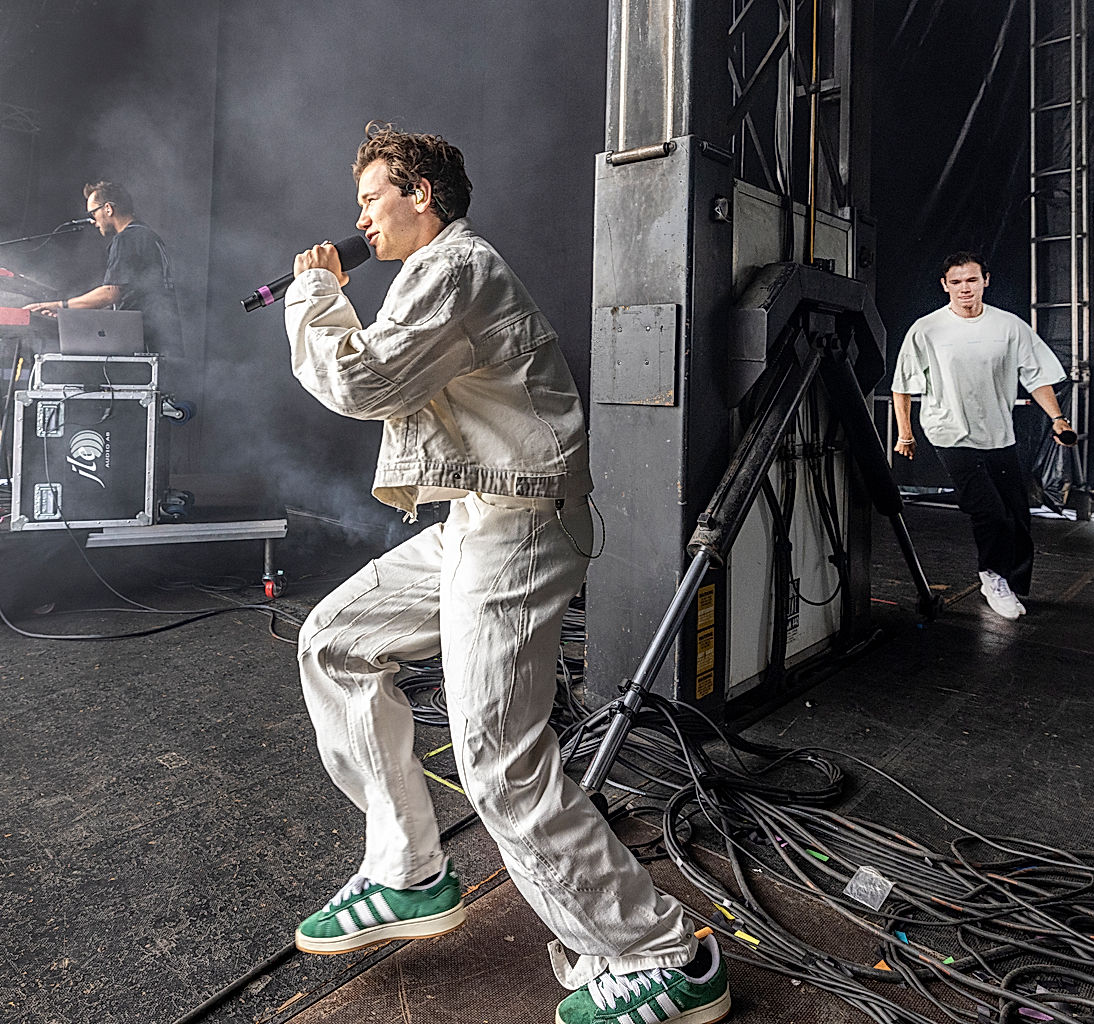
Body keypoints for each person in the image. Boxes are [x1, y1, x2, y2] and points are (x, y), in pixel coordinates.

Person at [283, 123, 731, 1024]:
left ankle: (668, 957)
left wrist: (317, 295)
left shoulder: (454, 269)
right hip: (479, 514)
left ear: (421, 195)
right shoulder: (429, 275)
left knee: (498, 763)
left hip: (519, 528)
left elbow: (365, 385)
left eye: (373, 197)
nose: (361, 218)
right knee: (335, 643)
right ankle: (408, 872)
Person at [891, 251, 1076, 620]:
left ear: (985, 281)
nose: (964, 288)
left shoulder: (1009, 327)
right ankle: (992, 578)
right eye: (956, 282)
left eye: (971, 280)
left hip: (998, 433)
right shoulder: (927, 329)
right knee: (991, 513)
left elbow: (1036, 376)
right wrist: (906, 435)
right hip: (950, 432)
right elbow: (903, 386)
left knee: (1018, 517)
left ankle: (1013, 581)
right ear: (945, 285)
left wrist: (1058, 419)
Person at [25, 180, 181, 356]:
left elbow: (110, 293)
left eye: (93, 213)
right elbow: (135, 292)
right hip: (165, 340)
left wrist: (59, 306)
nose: (92, 221)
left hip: (146, 342)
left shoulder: (127, 239)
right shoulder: (147, 235)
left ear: (108, 208)